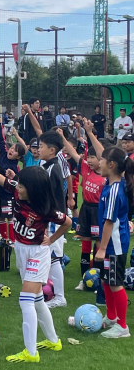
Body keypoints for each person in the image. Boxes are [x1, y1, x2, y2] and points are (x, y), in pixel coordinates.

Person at [0, 155, 70, 362]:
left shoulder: (46, 209)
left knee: (25, 300)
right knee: (37, 300)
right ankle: (54, 341)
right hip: (22, 250)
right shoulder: (18, 190)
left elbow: (67, 222)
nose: (18, 188)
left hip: (37, 254)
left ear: (34, 189)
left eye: (22, 186)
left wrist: (51, 240)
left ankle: (31, 353)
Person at [59, 124, 106, 293]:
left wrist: (89, 133)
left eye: (94, 157)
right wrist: (63, 137)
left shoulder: (106, 175)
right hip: (86, 210)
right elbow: (72, 153)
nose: (91, 160)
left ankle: (98, 280)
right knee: (85, 244)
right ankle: (84, 279)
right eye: (89, 157)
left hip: (99, 211)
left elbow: (103, 153)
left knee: (99, 245)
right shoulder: (86, 168)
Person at [95, 146, 133, 338]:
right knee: (106, 280)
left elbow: (109, 221)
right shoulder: (111, 184)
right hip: (110, 243)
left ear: (111, 164)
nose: (98, 162)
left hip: (114, 245)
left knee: (115, 283)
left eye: (102, 160)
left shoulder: (115, 189)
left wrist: (102, 248)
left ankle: (122, 327)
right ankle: (111, 317)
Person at [37, 131, 67, 309]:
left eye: (41, 146)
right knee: (48, 257)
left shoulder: (52, 168)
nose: (38, 149)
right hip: (50, 219)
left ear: (52, 150)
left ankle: (60, 297)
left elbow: (48, 196)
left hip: (54, 220)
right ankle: (49, 292)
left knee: (55, 258)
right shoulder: (48, 166)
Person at [0, 117, 26, 245]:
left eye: (15, 150)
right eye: (12, 147)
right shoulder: (3, 154)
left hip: (8, 195)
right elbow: (0, 140)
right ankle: (4, 238)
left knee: (9, 217)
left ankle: (12, 239)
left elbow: (18, 182)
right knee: (0, 216)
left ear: (19, 156)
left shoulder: (15, 167)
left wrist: (13, 176)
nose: (11, 150)